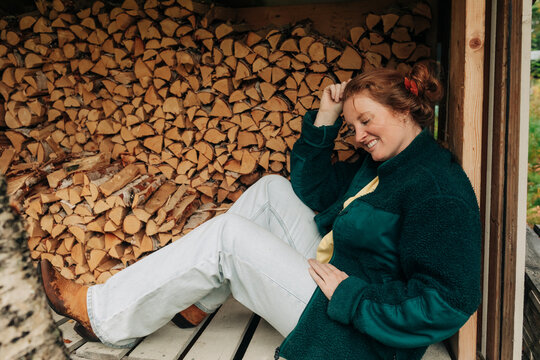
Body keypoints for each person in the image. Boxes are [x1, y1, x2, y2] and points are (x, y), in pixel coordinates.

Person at [41, 62, 481, 360]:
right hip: (342, 271)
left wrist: (352, 297)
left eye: (367, 120)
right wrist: (327, 117)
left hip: (357, 334)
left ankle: (102, 313)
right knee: (272, 189)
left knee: (225, 237)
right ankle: (198, 303)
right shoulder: (386, 162)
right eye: (353, 126)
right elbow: (312, 191)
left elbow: (448, 301)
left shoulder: (436, 188)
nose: (359, 134)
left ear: (405, 109)